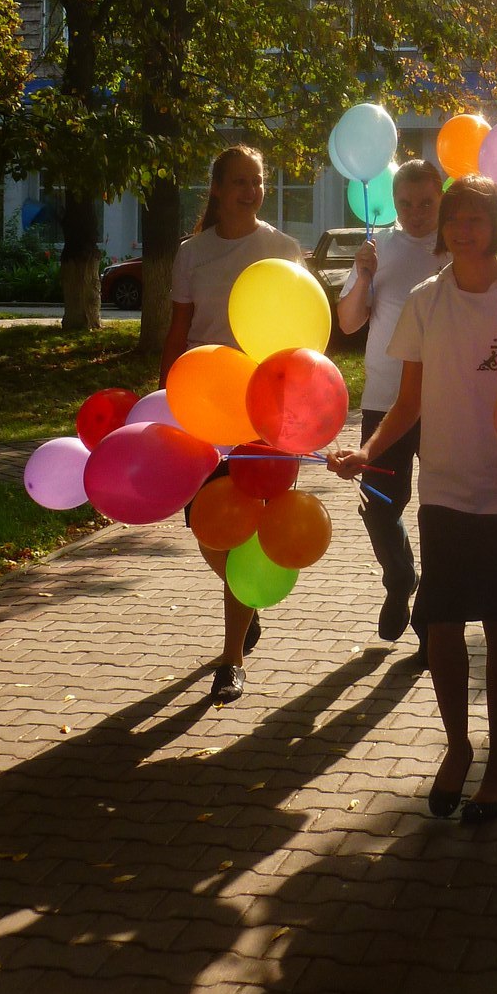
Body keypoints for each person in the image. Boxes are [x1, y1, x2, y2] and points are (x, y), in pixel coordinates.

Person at [331, 175, 497, 822]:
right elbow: (410, 400)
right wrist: (369, 451)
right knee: (445, 626)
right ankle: (457, 749)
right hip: (446, 489)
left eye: (477, 217)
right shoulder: (426, 299)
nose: (462, 228)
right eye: (455, 217)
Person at [160, 145, 304, 705]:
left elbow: (297, 340)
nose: (250, 191)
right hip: (199, 403)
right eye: (239, 182)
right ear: (217, 189)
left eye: (258, 181)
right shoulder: (191, 254)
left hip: (260, 410)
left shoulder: (283, 249)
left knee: (242, 524)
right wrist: (168, 395)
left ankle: (231, 658)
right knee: (205, 522)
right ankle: (245, 601)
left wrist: (290, 416)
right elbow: (179, 331)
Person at [334, 158, 444, 662]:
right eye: (407, 203)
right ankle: (401, 577)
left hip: (448, 404)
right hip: (385, 401)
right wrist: (362, 276)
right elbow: (351, 323)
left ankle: (432, 620)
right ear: (393, 203)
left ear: (440, 198)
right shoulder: (379, 250)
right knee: (381, 505)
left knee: (442, 515)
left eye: (427, 202)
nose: (418, 212)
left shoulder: (456, 248)